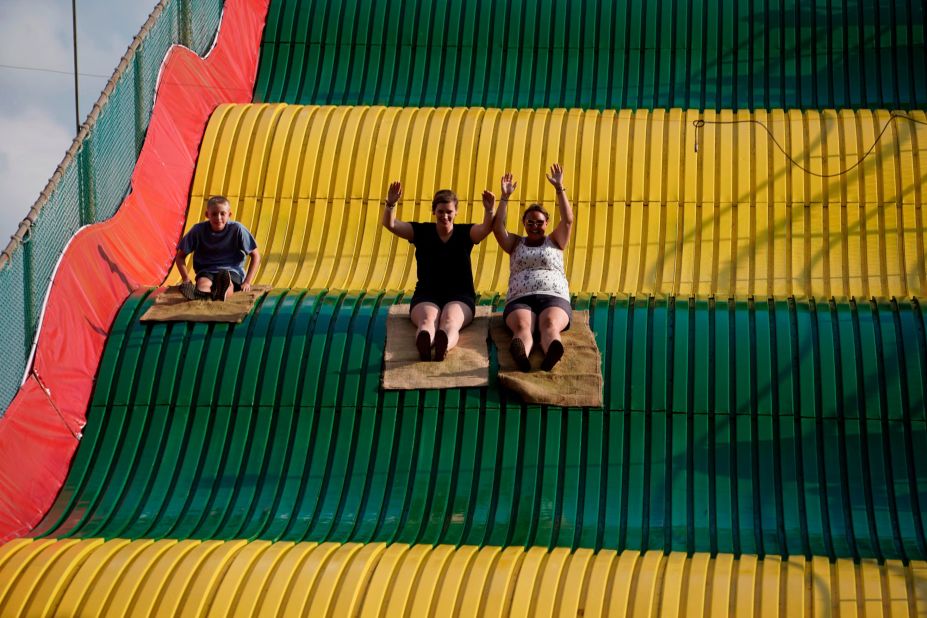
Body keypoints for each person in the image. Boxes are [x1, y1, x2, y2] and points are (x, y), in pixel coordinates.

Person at [382, 183, 495, 361]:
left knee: (450, 321)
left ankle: (443, 346)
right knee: (428, 320)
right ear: (434, 211)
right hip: (427, 294)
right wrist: (390, 203)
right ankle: (424, 343)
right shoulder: (421, 231)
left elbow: (485, 229)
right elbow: (391, 224)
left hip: (460, 295)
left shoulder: (465, 233)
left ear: (456, 212)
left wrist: (489, 210)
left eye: (449, 211)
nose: (445, 216)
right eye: (441, 211)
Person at [490, 164, 573, 371]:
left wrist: (559, 188)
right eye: (530, 222)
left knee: (550, 325)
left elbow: (568, 220)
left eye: (539, 222)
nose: (534, 226)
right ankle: (522, 356)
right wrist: (505, 197)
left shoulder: (555, 241)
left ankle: (552, 351)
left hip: (553, 295)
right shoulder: (516, 243)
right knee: (522, 326)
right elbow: (498, 227)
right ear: (524, 223)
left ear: (547, 223)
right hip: (520, 297)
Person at [174, 195, 261, 301]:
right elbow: (180, 256)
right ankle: (202, 295)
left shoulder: (237, 229)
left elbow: (255, 255)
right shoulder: (198, 230)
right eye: (214, 214)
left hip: (231, 270)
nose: (218, 218)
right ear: (207, 215)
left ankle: (220, 294)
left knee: (229, 285)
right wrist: (186, 279)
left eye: (222, 214)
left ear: (229, 214)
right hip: (207, 269)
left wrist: (247, 281)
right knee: (203, 284)